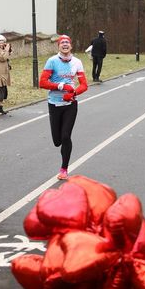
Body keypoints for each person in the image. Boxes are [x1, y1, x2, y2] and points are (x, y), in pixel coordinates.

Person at [39, 35, 88, 180]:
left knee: (66, 136)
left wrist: (73, 93)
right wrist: (61, 86)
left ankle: (64, 169)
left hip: (70, 105)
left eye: (67, 42)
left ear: (71, 46)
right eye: (62, 43)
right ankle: (60, 148)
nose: (65, 44)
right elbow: (42, 82)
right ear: (59, 46)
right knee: (57, 141)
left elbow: (84, 85)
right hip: (54, 103)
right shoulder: (52, 61)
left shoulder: (77, 62)